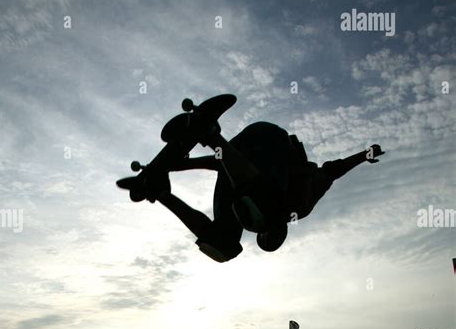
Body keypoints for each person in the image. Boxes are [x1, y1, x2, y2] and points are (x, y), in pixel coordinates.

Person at [126, 112, 385, 262]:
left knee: (225, 245)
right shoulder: (300, 204)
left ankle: (160, 194)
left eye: (262, 232)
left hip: (234, 151)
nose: (258, 228)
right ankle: (210, 133)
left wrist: (171, 168)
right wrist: (363, 156)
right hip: (270, 139)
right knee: (261, 203)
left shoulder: (244, 207)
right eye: (268, 231)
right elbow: (331, 171)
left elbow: (220, 163)